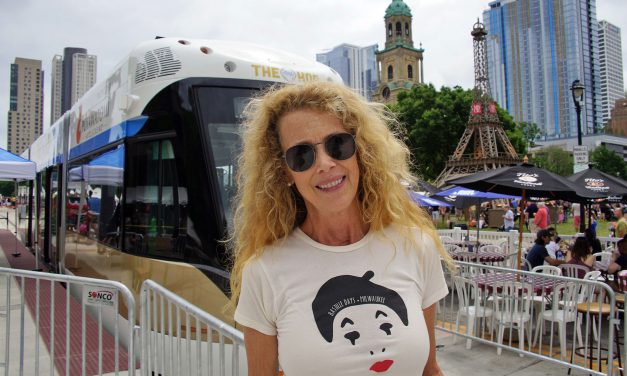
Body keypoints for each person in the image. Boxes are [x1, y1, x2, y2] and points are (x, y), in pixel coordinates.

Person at [230, 82, 451, 376]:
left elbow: (429, 370)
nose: (324, 163)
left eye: (338, 145)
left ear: (361, 152)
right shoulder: (264, 271)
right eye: (302, 155)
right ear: (284, 171)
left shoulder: (415, 246)